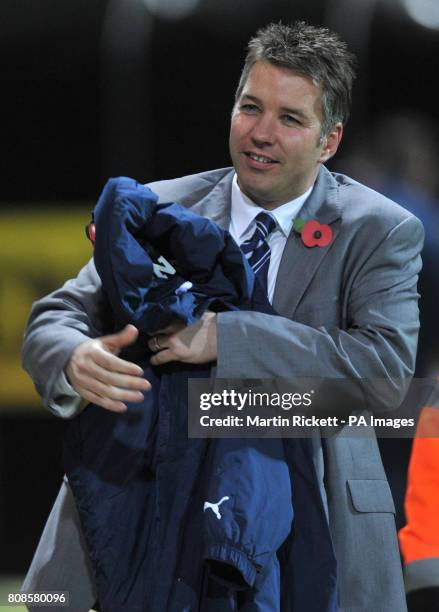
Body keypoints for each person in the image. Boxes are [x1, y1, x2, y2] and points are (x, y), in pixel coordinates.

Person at [22, 21, 423, 612]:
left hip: (313, 521)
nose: (261, 133)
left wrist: (228, 337)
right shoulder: (159, 207)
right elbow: (56, 316)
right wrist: (73, 356)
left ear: (329, 141)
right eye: (250, 107)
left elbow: (385, 376)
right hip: (149, 504)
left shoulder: (379, 229)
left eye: (290, 119)